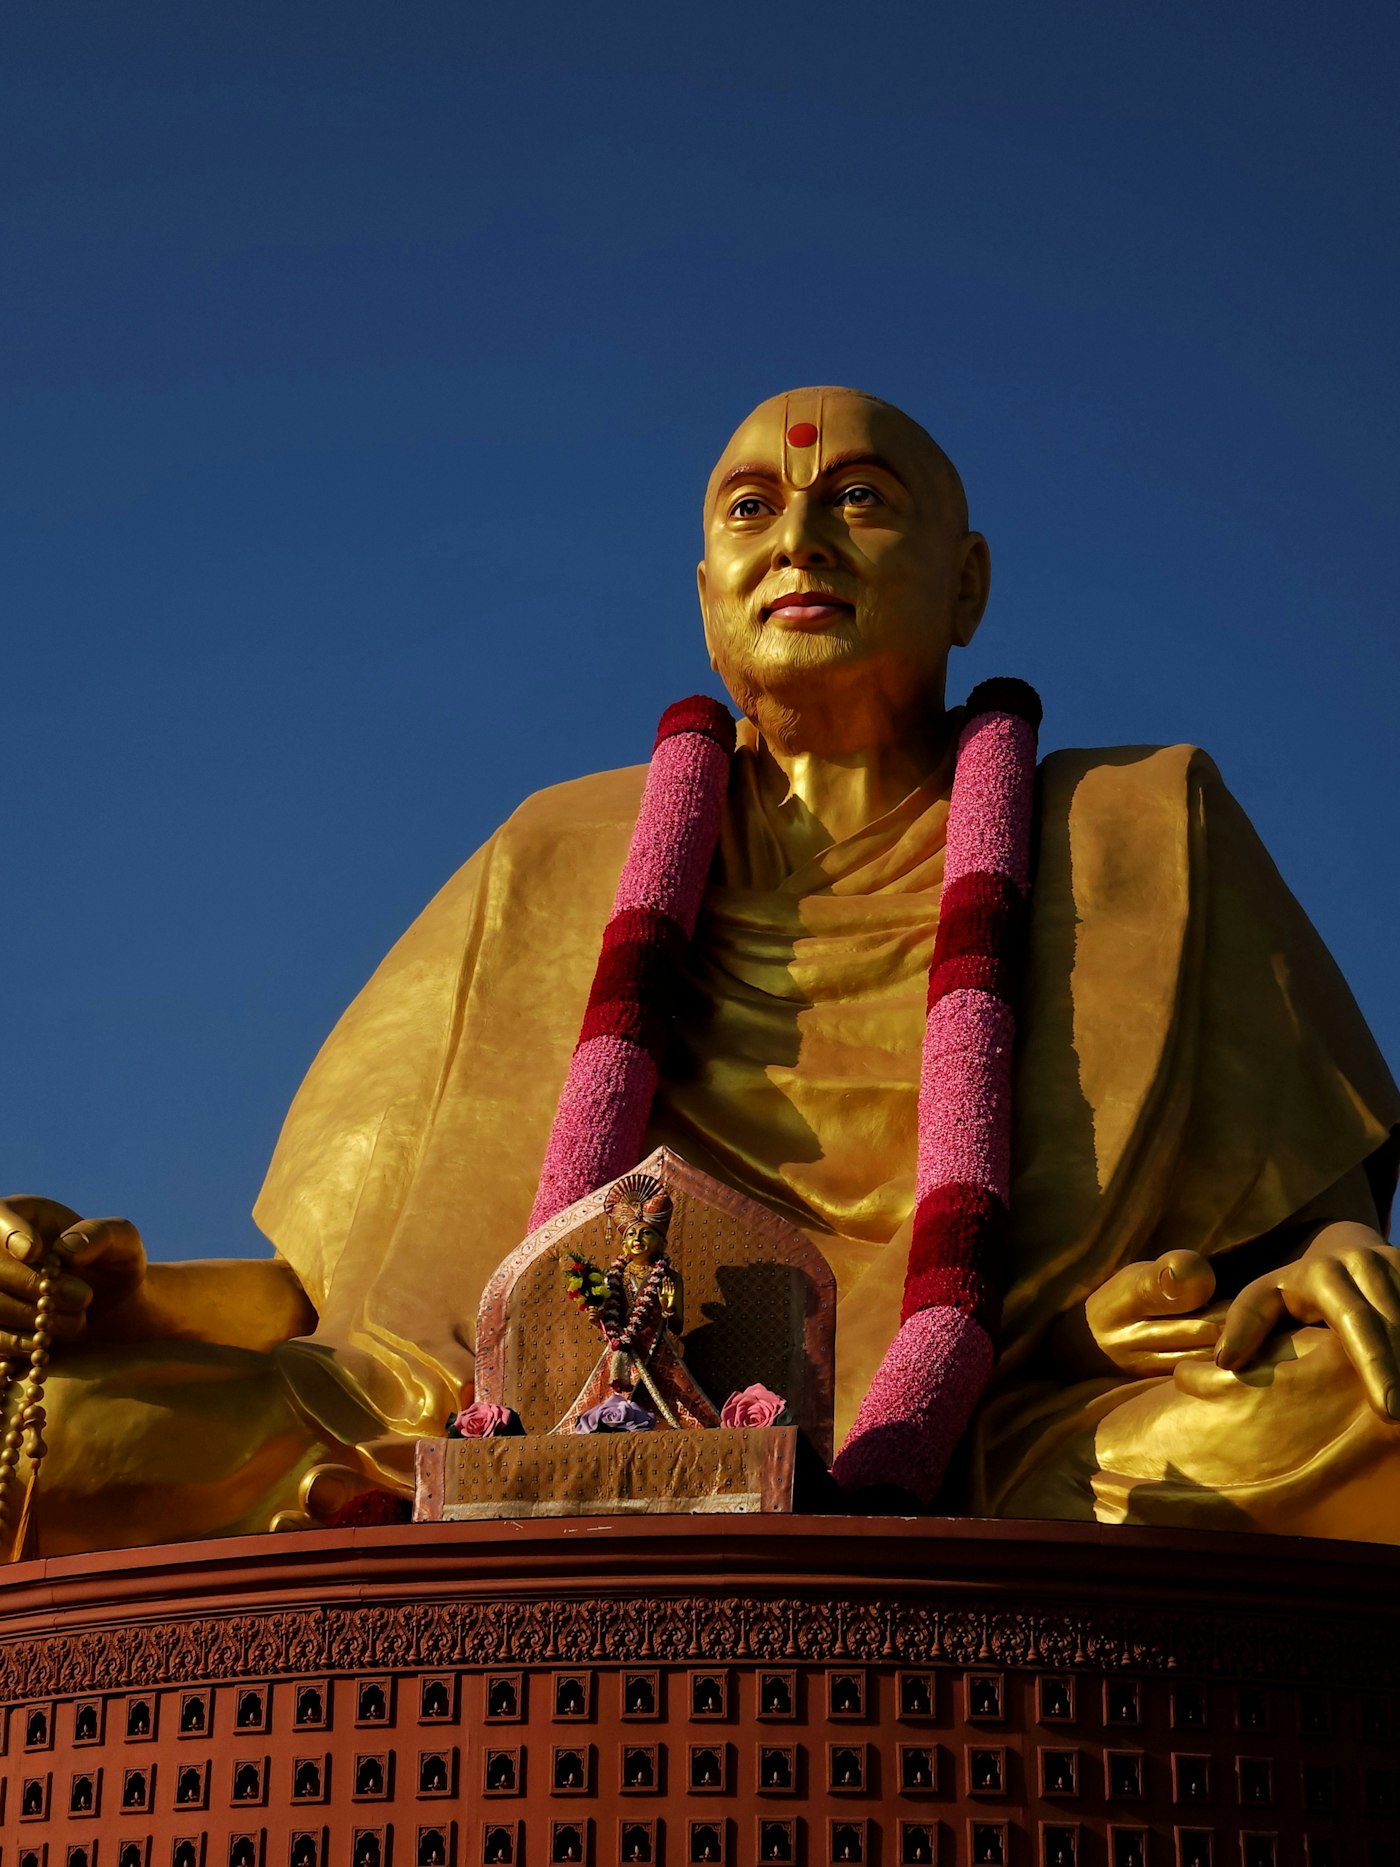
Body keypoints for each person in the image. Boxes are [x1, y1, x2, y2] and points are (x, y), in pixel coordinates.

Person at [3, 387, 1397, 1552]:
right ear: (703, 590)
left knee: (1368, 1402)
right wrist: (115, 1295)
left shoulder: (1144, 825)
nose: (799, 539)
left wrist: (1333, 1257)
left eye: (860, 499)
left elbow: (1304, 1236)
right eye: (750, 509)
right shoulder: (557, 849)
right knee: (41, 1425)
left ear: (967, 583)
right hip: (485, 1448)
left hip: (1010, 1439)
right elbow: (330, 1301)